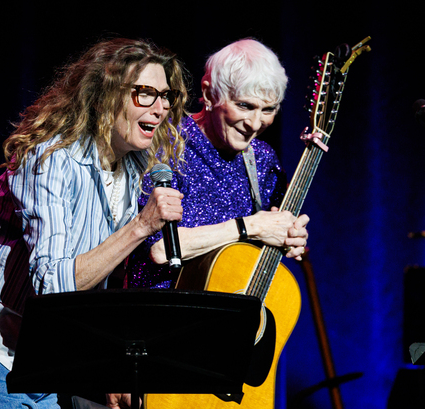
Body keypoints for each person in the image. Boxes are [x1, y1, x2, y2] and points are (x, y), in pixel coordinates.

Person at [0, 38, 188, 409]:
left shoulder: (129, 169)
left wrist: (109, 372)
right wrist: (141, 226)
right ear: (106, 94)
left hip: (46, 367)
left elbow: (99, 285)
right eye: (145, 92)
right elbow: (53, 286)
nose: (160, 107)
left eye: (165, 96)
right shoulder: (49, 159)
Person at [127, 38, 309, 290]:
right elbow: (160, 248)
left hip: (229, 309)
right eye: (245, 106)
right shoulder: (168, 145)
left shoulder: (263, 159)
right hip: (162, 312)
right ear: (209, 94)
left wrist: (289, 236)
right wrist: (251, 226)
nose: (255, 124)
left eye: (268, 109)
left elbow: (273, 231)